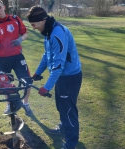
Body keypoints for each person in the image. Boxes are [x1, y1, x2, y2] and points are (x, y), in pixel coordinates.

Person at [27, 5, 82, 149]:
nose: (33, 28)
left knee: (68, 110)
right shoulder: (48, 32)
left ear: (42, 20)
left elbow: (59, 66)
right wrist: (38, 73)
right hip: (63, 77)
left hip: (70, 76)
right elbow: (47, 55)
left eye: (33, 24)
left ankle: (70, 144)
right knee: (61, 105)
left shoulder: (57, 33)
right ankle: (64, 128)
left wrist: (46, 87)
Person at [0, 0, 33, 116]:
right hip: (1, 59)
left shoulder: (15, 19)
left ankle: (25, 103)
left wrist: (20, 39)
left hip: (17, 57)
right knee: (3, 84)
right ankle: (8, 104)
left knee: (27, 80)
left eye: (0, 8)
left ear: (4, 7)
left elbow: (25, 33)